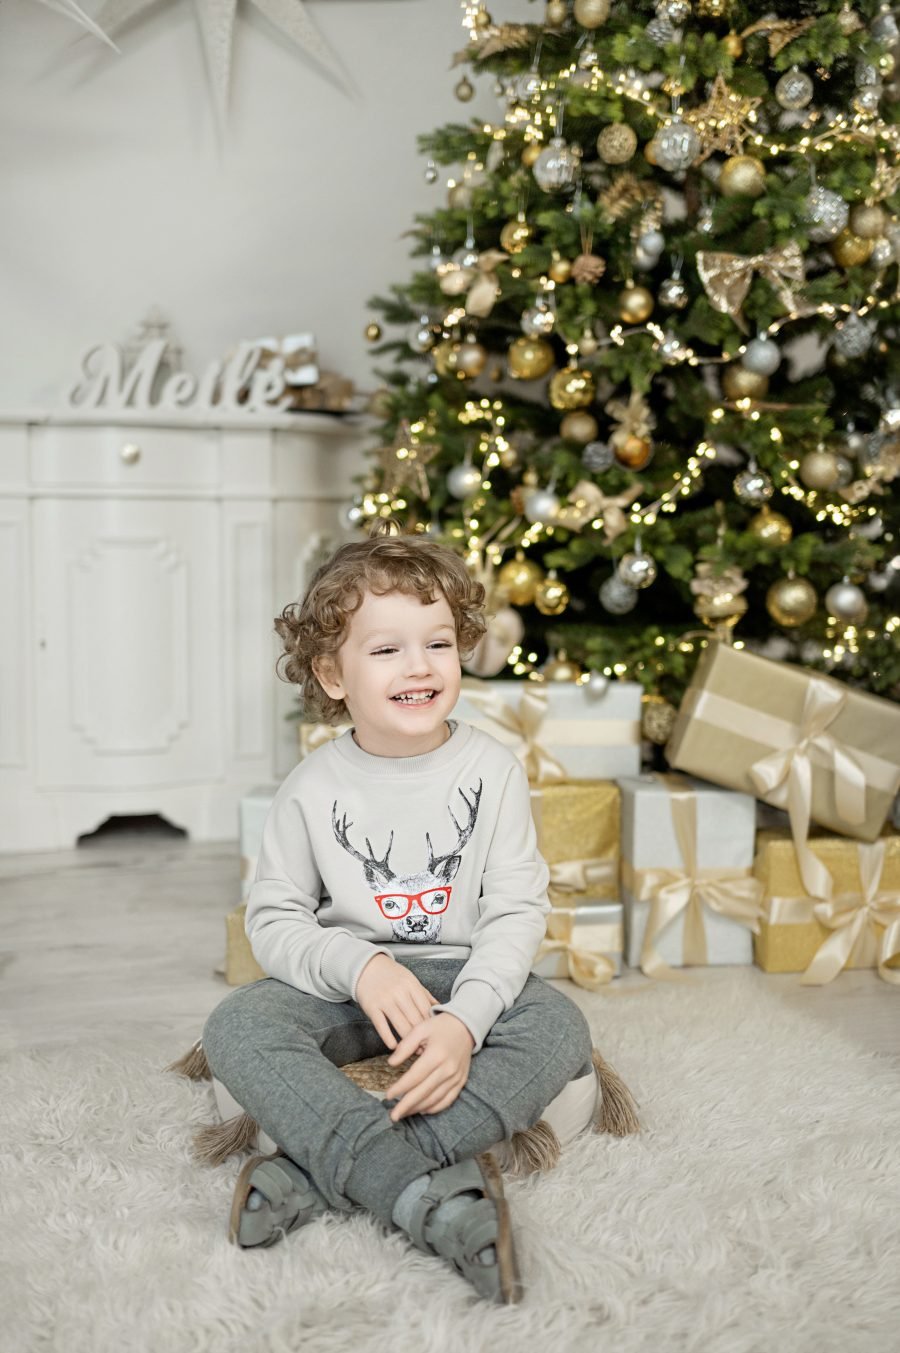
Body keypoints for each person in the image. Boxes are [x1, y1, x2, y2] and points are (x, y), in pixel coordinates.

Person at [201, 521, 616, 1305]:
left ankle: (326, 1172)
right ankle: (431, 1192)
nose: (419, 666)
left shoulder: (493, 769)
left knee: (559, 1025)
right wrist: (359, 964)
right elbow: (276, 920)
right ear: (331, 671)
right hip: (349, 988)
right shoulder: (312, 786)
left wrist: (468, 1019)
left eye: (437, 642)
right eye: (385, 650)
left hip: (461, 978)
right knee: (236, 1026)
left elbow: (517, 907)